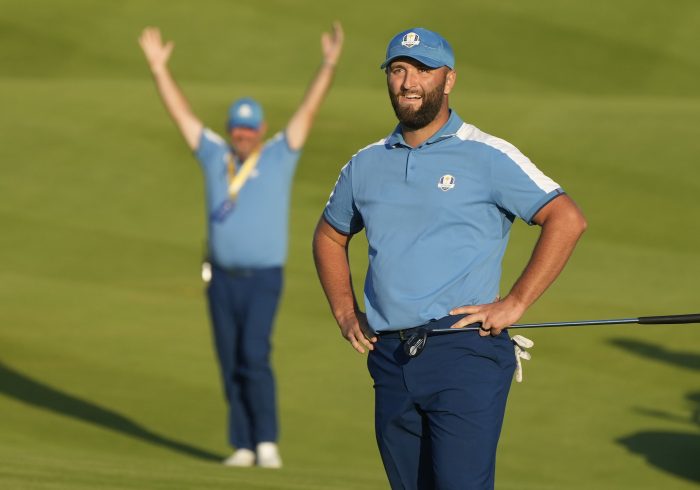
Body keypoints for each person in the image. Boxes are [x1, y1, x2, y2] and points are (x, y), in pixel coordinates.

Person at [312, 27, 586, 489]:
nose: (409, 82)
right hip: (390, 357)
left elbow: (566, 219)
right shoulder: (365, 163)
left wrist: (515, 302)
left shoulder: (487, 154)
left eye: (423, 70)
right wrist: (343, 311)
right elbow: (328, 236)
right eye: (398, 70)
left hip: (464, 352)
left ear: (449, 79)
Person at [139, 23, 344, 469]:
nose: (243, 135)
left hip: (264, 277)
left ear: (261, 129)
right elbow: (182, 115)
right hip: (220, 276)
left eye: (250, 129)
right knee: (230, 357)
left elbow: (308, 111)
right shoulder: (215, 155)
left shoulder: (278, 153)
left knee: (254, 353)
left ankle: (266, 440)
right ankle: (243, 444)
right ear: (231, 129)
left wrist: (327, 64)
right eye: (238, 128)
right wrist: (158, 69)